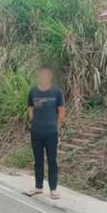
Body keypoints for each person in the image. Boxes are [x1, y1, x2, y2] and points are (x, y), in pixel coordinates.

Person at [26, 66, 66, 199]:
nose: (44, 77)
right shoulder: (33, 91)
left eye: (47, 75)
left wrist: (57, 126)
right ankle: (38, 187)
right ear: (39, 76)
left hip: (51, 132)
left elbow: (61, 110)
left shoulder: (56, 92)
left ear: (50, 77)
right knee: (38, 160)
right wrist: (33, 121)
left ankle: (53, 189)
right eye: (42, 74)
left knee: (52, 160)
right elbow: (30, 107)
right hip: (36, 131)